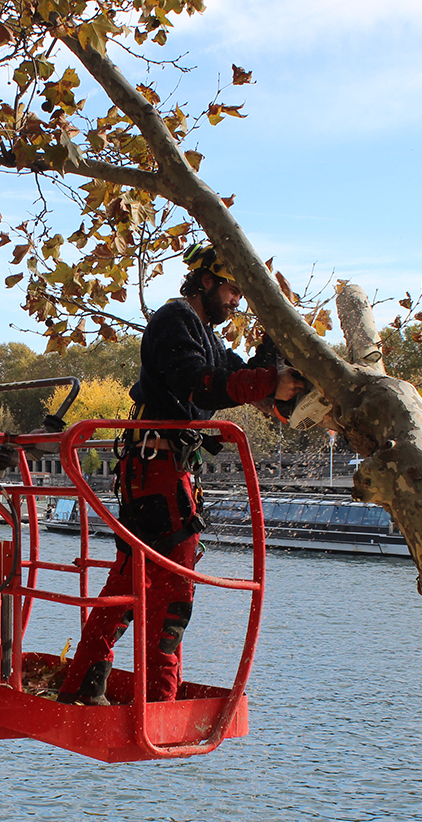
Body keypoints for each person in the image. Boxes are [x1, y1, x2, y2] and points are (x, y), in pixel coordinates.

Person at [58, 243, 305, 705]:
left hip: (161, 472)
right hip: (158, 473)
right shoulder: (175, 320)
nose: (236, 302)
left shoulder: (203, 334)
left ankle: (85, 685)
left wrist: (276, 328)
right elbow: (201, 385)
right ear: (206, 281)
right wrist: (270, 383)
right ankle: (157, 701)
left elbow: (242, 377)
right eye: (232, 291)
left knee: (133, 580)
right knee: (173, 592)